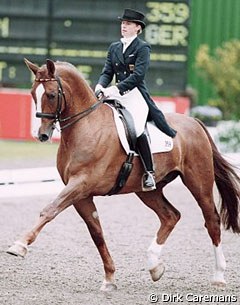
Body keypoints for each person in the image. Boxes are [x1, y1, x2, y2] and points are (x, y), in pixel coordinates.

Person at [95, 8, 177, 192]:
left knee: (137, 128)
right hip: (115, 94)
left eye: (128, 24)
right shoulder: (114, 47)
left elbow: (138, 76)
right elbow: (107, 71)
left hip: (135, 96)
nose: (124, 26)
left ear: (138, 28)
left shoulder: (142, 48)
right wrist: (100, 86)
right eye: (123, 23)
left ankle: (149, 172)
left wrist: (115, 89)